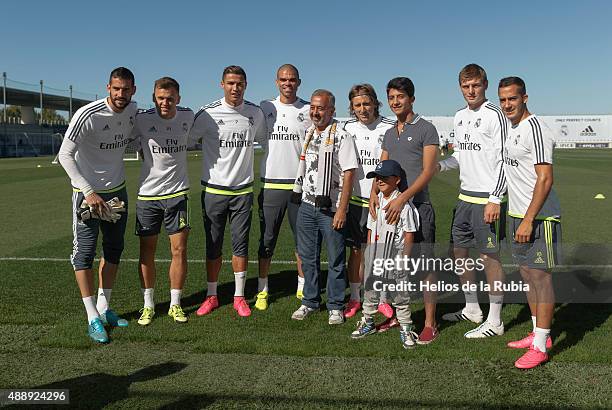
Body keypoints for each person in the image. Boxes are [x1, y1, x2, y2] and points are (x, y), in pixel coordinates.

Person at [58, 67, 138, 343]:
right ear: (108, 88)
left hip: (118, 193)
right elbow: (64, 155)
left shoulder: (132, 111)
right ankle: (92, 316)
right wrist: (88, 191)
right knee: (84, 254)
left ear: (133, 91)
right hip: (87, 196)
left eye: (125, 89)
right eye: (116, 89)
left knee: (114, 250)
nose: (120, 94)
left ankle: (105, 307)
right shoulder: (87, 115)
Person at [438, 64, 509, 338]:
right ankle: (472, 309)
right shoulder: (459, 116)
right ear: (460, 87)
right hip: (464, 199)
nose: (471, 90)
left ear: (485, 85)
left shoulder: (495, 115)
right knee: (459, 254)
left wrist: (495, 198)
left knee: (489, 258)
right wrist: (439, 167)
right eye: (466, 86)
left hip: (486, 201)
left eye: (476, 85)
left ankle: (495, 320)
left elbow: (504, 161)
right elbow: (460, 157)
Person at [191, 65, 266, 318]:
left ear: (246, 85)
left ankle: (239, 296)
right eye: (231, 83)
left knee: (240, 245)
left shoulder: (255, 113)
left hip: (243, 191)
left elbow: (266, 140)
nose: (236, 88)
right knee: (213, 246)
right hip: (213, 190)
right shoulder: (207, 114)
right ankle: (211, 295)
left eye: (240, 83)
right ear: (222, 84)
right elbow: (186, 140)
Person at [369, 77, 440, 344]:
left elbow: (428, 171)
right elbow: (383, 167)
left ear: (411, 98)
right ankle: (400, 315)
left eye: (400, 97)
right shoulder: (389, 132)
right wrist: (375, 195)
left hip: (418, 207)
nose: (395, 102)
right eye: (391, 98)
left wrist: (403, 199)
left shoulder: (427, 129)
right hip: (392, 211)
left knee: (424, 267)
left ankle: (431, 324)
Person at [498, 76, 560, 369]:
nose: (507, 104)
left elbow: (545, 178)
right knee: (526, 275)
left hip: (538, 218)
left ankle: (540, 346)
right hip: (517, 215)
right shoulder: (513, 128)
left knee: (540, 278)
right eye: (503, 99)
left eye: (512, 98)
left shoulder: (535, 128)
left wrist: (529, 219)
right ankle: (539, 334)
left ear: (524, 98)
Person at [290, 89, 357, 325]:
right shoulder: (308, 132)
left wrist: (342, 209)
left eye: (321, 108)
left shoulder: (342, 135)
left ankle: (336, 305)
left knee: (336, 258)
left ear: (332, 111)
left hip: (331, 207)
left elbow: (349, 173)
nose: (316, 112)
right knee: (308, 258)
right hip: (308, 204)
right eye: (313, 107)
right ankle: (310, 301)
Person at [131, 77, 194, 325]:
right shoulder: (142, 119)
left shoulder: (189, 116)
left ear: (178, 98)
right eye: (160, 98)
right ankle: (148, 305)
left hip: (178, 195)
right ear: (154, 98)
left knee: (179, 250)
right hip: (148, 196)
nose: (165, 103)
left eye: (170, 98)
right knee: (147, 251)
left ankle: (175, 304)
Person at [257, 64, 311, 310]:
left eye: (292, 80)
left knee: (302, 241)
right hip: (271, 185)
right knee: (267, 240)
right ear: (276, 81)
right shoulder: (265, 108)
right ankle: (262, 289)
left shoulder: (309, 110)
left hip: (299, 187)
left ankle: (302, 286)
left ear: (298, 82)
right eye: (283, 79)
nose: (287, 83)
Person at [351, 159, 421, 349]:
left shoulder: (403, 206)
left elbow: (409, 234)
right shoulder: (375, 201)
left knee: (401, 294)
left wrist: (404, 260)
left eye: (384, 177)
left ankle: (406, 327)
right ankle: (368, 322)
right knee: (370, 290)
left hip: (395, 255)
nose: (379, 181)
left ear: (397, 180)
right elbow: (370, 229)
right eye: (377, 178)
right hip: (375, 254)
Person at [342, 84, 395, 319]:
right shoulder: (347, 128)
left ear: (375, 103)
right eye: (357, 105)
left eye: (366, 104)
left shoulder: (390, 127)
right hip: (356, 199)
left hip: (382, 201)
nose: (362, 109)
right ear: (352, 108)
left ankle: (383, 298)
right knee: (356, 252)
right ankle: (355, 297)